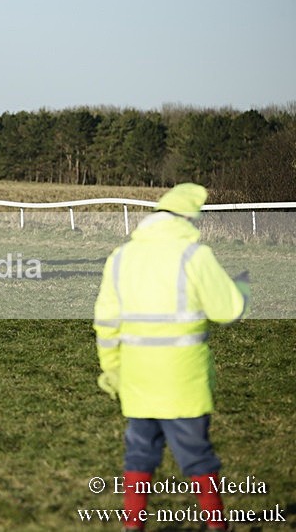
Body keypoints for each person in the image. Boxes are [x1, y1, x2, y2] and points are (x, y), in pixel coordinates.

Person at [93, 183, 250, 532]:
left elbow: (106, 321)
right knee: (197, 456)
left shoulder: (121, 256)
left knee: (138, 453)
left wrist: (112, 368)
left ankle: (132, 525)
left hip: (136, 379)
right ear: (189, 219)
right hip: (184, 381)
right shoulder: (196, 255)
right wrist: (242, 288)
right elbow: (228, 309)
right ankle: (216, 526)